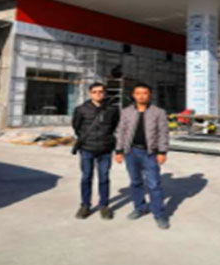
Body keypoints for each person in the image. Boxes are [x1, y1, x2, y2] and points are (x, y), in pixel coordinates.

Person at [115, 82, 170, 229]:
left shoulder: (158, 112)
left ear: (149, 95)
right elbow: (121, 132)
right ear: (133, 95)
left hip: (150, 153)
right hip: (131, 152)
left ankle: (159, 214)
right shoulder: (126, 112)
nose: (141, 96)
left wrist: (162, 152)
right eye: (138, 93)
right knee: (135, 182)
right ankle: (140, 208)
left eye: (144, 93)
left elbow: (163, 133)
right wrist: (119, 151)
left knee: (154, 184)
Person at [72, 82, 119, 220]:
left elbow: (115, 125)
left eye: (101, 91)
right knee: (86, 177)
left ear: (104, 93)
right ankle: (85, 205)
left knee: (104, 178)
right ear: (90, 93)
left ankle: (104, 206)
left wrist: (107, 139)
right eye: (95, 92)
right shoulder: (81, 109)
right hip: (87, 149)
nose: (98, 94)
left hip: (105, 149)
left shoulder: (112, 109)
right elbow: (76, 127)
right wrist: (86, 139)